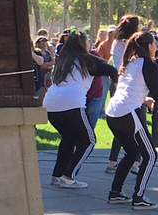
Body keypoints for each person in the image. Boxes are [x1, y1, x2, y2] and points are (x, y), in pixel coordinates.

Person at [103, 31, 158, 207]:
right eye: (154, 44)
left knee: (132, 152)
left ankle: (115, 192)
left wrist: (145, 99)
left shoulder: (131, 62)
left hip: (113, 112)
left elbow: (132, 87)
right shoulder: (147, 63)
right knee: (151, 155)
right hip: (127, 112)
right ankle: (138, 197)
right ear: (148, 46)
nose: (156, 47)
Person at [44, 31, 118, 189]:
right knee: (88, 140)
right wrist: (117, 89)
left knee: (68, 138)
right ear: (83, 44)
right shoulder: (87, 59)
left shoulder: (63, 59)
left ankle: (57, 175)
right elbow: (111, 70)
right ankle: (68, 176)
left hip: (51, 104)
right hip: (71, 103)